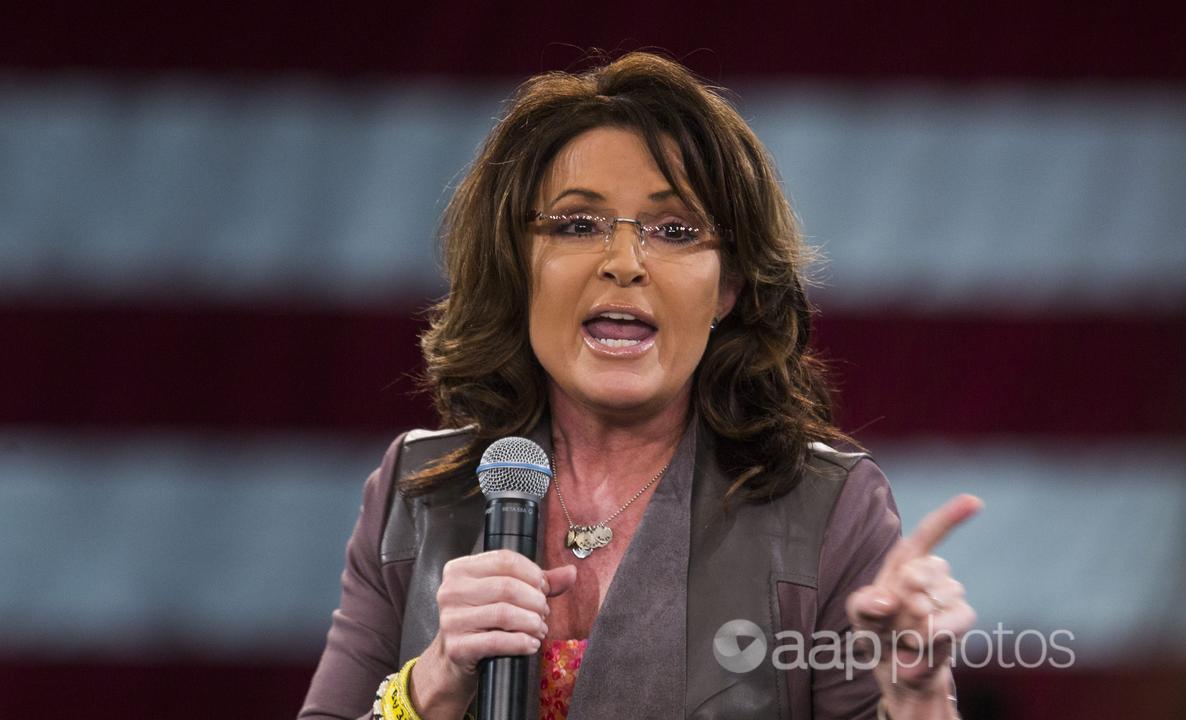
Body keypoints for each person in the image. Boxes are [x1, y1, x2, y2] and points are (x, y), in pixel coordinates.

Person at [299, 51, 980, 720]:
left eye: (676, 230)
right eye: (576, 224)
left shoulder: (827, 511)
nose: (623, 263)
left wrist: (916, 698)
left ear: (729, 289)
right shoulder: (414, 492)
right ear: (516, 268)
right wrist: (431, 688)